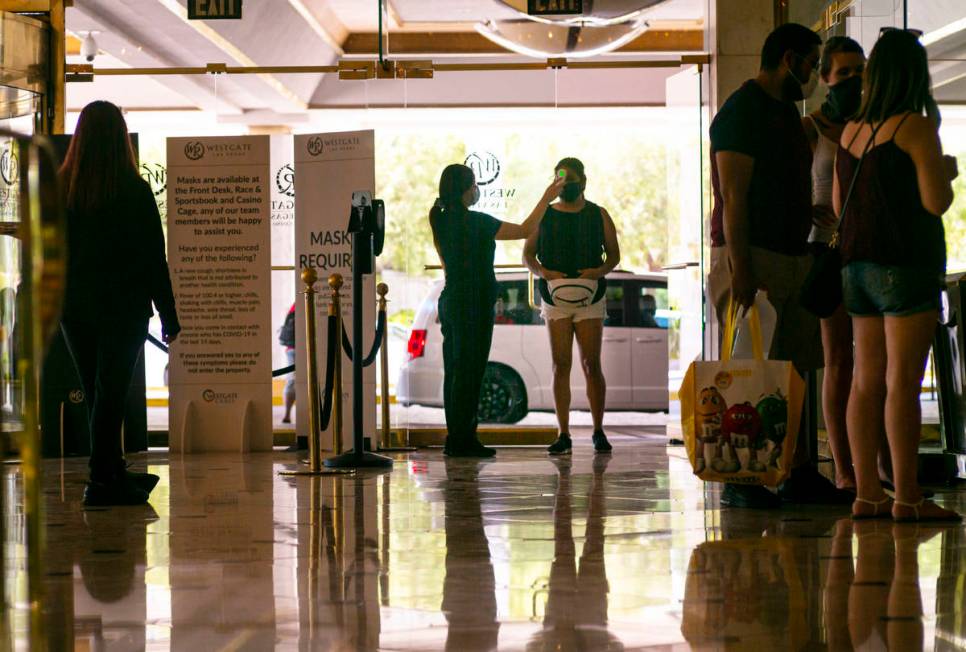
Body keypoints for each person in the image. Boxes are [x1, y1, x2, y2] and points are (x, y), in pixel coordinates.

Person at [708, 23, 852, 508]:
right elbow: (734, 195)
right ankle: (741, 477)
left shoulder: (786, 112)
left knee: (791, 369)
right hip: (753, 257)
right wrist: (742, 267)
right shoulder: (741, 111)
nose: (813, 74)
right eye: (811, 64)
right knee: (753, 368)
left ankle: (796, 470)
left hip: (790, 254)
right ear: (788, 58)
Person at [834, 29, 960, 522]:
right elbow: (935, 202)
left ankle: (867, 493)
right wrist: (945, 172)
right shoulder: (914, 127)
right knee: (902, 385)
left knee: (866, 384)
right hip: (905, 267)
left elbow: (837, 206)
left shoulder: (851, 131)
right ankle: (908, 498)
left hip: (856, 272)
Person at [59, 101, 180, 506]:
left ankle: (110, 469)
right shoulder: (134, 190)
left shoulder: (62, 191)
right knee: (111, 392)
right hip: (123, 308)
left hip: (73, 309)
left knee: (98, 393)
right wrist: (168, 314)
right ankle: (101, 478)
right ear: (120, 139)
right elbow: (152, 258)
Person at [431, 164, 563, 457]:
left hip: (451, 299)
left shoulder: (439, 218)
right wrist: (545, 198)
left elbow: (444, 261)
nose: (476, 190)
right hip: (473, 304)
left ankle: (456, 438)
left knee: (455, 370)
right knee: (471, 371)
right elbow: (525, 230)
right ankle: (465, 440)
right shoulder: (478, 222)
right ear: (465, 190)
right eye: (474, 184)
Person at [802, 36, 867, 493]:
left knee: (874, 363)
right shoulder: (812, 127)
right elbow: (785, 181)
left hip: (867, 250)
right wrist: (808, 210)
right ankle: (844, 468)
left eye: (859, 71)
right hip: (824, 249)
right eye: (843, 73)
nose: (852, 80)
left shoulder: (871, 124)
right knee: (838, 360)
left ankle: (874, 465)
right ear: (824, 77)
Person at [524, 158, 621, 456]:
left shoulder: (598, 214)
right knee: (560, 364)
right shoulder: (545, 216)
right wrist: (545, 273)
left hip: (590, 297)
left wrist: (596, 272)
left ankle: (598, 430)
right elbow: (528, 256)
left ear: (584, 181)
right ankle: (563, 432)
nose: (566, 186)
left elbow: (614, 256)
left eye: (571, 180)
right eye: (560, 181)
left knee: (592, 363)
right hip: (555, 297)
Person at [279, 303, 296, 425]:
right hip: (294, 349)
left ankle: (287, 414)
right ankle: (287, 414)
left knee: (291, 380)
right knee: (292, 381)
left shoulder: (294, 305)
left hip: (292, 348)